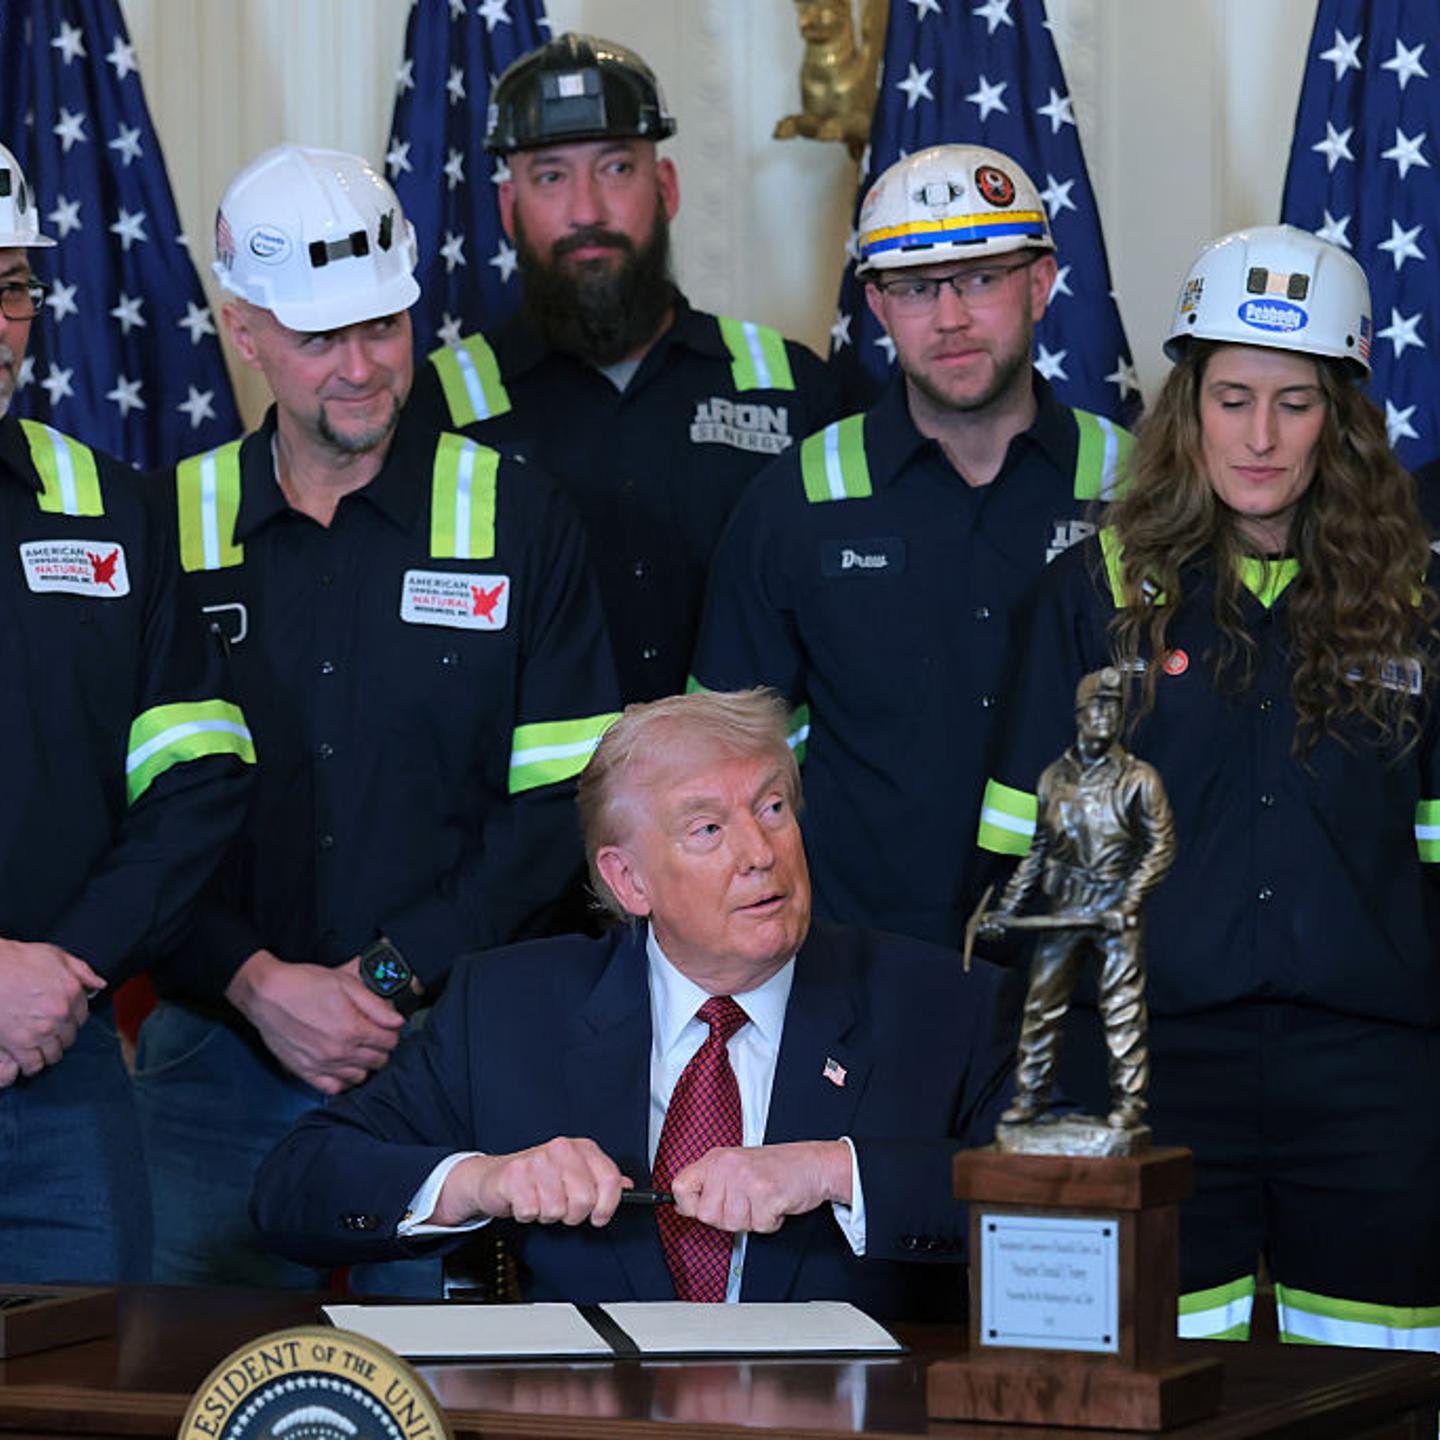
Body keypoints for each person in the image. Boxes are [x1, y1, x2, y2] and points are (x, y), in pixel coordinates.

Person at [135, 145, 620, 1292]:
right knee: (168, 1396)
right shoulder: (168, 523)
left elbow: (562, 803)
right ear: (244, 329)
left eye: (386, 328)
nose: (361, 369)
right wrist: (256, 980)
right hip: (208, 1065)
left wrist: (386, 985)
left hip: (442, 1069)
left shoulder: (516, 515)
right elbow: (132, 812)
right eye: (318, 339)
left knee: (438, 1408)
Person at [979, 224, 1440, 1348]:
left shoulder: (1418, 596)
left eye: (1294, 402)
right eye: (1232, 398)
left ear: (1343, 417)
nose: (1261, 436)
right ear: (1186, 410)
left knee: (1385, 1385)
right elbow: (1023, 874)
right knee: (1147, 1383)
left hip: (1373, 1079)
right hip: (1151, 1071)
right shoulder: (1090, 594)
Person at [252, 689, 1013, 1322]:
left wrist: (835, 1172)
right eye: (708, 828)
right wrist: (482, 1182)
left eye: (773, 808)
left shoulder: (942, 1003)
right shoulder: (508, 1011)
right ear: (628, 882)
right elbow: (297, 1184)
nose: (759, 852)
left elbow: (1067, 1210)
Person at [691, 144, 1135, 949]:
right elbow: (724, 755)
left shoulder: (1137, 487)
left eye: (981, 279)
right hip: (856, 967)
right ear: (877, 305)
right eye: (917, 289)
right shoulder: (798, 500)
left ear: (1040, 283)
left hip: (1094, 962)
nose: (951, 318)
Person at [407, 32, 846, 704]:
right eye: (551, 176)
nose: (587, 211)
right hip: (531, 805)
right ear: (508, 210)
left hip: (746, 801)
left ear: (665, 187)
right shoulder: (436, 407)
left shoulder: (793, 388)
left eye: (616, 169)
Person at [0, 141, 255, 1282]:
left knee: (87, 1393)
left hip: (65, 1068)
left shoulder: (106, 504)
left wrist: (63, 961)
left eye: (9, 288)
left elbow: (201, 771)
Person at [981, 666, 1175, 1131]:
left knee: (1124, 1009)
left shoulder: (1139, 778)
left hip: (1114, 908)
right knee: (1042, 1007)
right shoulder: (1053, 777)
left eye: (1114, 706)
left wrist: (1127, 904)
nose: (1106, 714)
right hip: (1064, 908)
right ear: (1080, 713)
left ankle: (1130, 1104)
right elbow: (1037, 853)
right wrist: (1007, 911)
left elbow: (1160, 846)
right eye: (1098, 705)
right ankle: (1030, 1097)